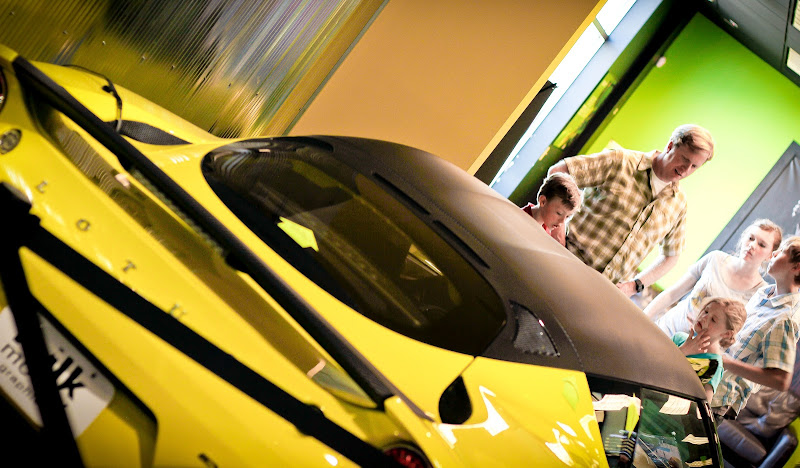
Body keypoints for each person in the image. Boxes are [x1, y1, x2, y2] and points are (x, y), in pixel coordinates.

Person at [548, 124, 715, 296]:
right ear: (670, 146)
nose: (686, 170)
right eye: (684, 159)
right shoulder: (621, 161)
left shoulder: (678, 204)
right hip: (563, 261)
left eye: (694, 166)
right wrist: (557, 226)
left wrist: (635, 285)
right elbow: (559, 173)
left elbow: (671, 256)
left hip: (600, 293)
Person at [710, 236, 800, 424]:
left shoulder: (785, 319)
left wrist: (726, 362)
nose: (773, 253)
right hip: (706, 375)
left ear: (796, 267)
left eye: (782, 251)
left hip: (717, 398)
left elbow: (780, 380)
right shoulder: (763, 293)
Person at [645, 219, 783, 336]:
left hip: (694, 353)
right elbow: (672, 293)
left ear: (770, 255)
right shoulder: (715, 258)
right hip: (667, 328)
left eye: (761, 245)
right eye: (751, 238)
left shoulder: (761, 292)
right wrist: (645, 316)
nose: (752, 245)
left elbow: (736, 337)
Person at [672, 297, 747, 403]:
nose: (704, 317)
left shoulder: (713, 364)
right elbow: (654, 363)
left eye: (713, 320)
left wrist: (683, 353)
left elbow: (701, 407)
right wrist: (683, 350)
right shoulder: (679, 338)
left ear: (726, 334)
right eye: (706, 311)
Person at [521, 172, 581, 245]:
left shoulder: (545, 232)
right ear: (543, 201)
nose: (562, 222)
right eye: (559, 213)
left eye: (567, 217)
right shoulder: (519, 218)